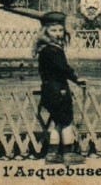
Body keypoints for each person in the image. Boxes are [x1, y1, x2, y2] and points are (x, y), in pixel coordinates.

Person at [33, 11, 87, 165]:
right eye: (53, 30)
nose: (58, 33)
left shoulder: (45, 48)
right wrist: (76, 78)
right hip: (59, 90)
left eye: (60, 30)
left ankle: (52, 153)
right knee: (67, 121)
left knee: (57, 122)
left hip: (49, 90)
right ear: (45, 31)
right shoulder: (52, 50)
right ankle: (68, 154)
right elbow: (63, 68)